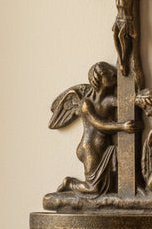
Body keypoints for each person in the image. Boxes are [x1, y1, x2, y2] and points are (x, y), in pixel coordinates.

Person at [49, 62, 134, 194]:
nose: (113, 74)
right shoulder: (86, 103)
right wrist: (122, 126)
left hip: (103, 149)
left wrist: (141, 98)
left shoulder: (109, 100)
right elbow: (98, 124)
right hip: (89, 149)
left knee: (107, 186)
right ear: (97, 79)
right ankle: (70, 183)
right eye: (106, 73)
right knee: (93, 188)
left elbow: (126, 102)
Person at [89, 0, 152, 85]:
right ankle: (121, 61)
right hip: (118, 20)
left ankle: (124, 61)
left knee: (122, 37)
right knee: (114, 36)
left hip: (128, 21)